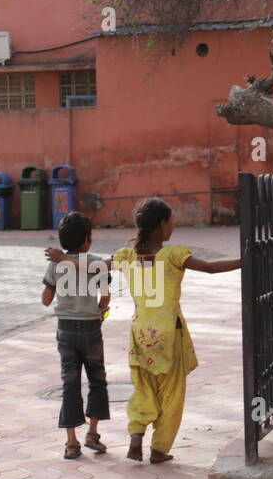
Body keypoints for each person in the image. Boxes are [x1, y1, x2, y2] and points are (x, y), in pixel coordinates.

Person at [52, 198, 239, 464]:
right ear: (162, 225)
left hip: (139, 334)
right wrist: (245, 260)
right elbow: (210, 268)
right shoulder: (174, 255)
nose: (173, 226)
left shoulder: (128, 255)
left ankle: (137, 433)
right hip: (168, 334)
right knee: (172, 393)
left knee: (143, 387)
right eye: (171, 221)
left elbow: (95, 267)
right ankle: (159, 448)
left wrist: (65, 260)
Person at [41, 211, 112, 460]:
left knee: (70, 384)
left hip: (66, 330)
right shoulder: (95, 263)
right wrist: (100, 309)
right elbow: (105, 297)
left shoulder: (56, 264)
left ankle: (71, 442)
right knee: (97, 379)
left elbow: (46, 299)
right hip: (92, 328)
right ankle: (93, 433)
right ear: (86, 240)